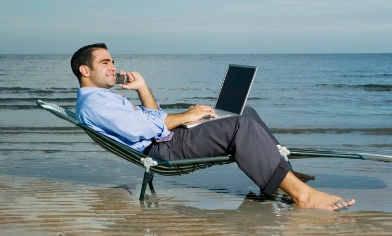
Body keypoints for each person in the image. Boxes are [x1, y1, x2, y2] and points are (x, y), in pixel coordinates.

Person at [71, 43, 355, 211]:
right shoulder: (96, 104)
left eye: (112, 61)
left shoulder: (102, 98)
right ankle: (301, 195)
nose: (113, 67)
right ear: (86, 70)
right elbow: (142, 130)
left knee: (245, 112)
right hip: (163, 149)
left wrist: (142, 87)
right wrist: (186, 116)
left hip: (167, 139)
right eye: (105, 62)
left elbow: (152, 118)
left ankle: (282, 173)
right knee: (240, 126)